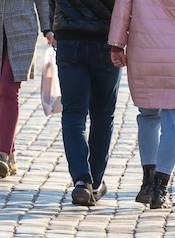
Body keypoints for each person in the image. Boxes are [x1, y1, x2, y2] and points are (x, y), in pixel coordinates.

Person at [109, 0, 175, 209]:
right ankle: (160, 188)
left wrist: (116, 45)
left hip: (143, 51)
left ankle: (147, 182)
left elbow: (122, 9)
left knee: (148, 116)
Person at [0, 1, 52, 179]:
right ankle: (10, 154)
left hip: (21, 24)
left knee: (8, 88)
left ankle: (3, 153)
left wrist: (48, 27)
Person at [49, 0, 121, 206]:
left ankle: (82, 179)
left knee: (73, 113)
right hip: (105, 40)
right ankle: (96, 181)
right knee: (103, 114)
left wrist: (55, 27)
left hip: (69, 37)